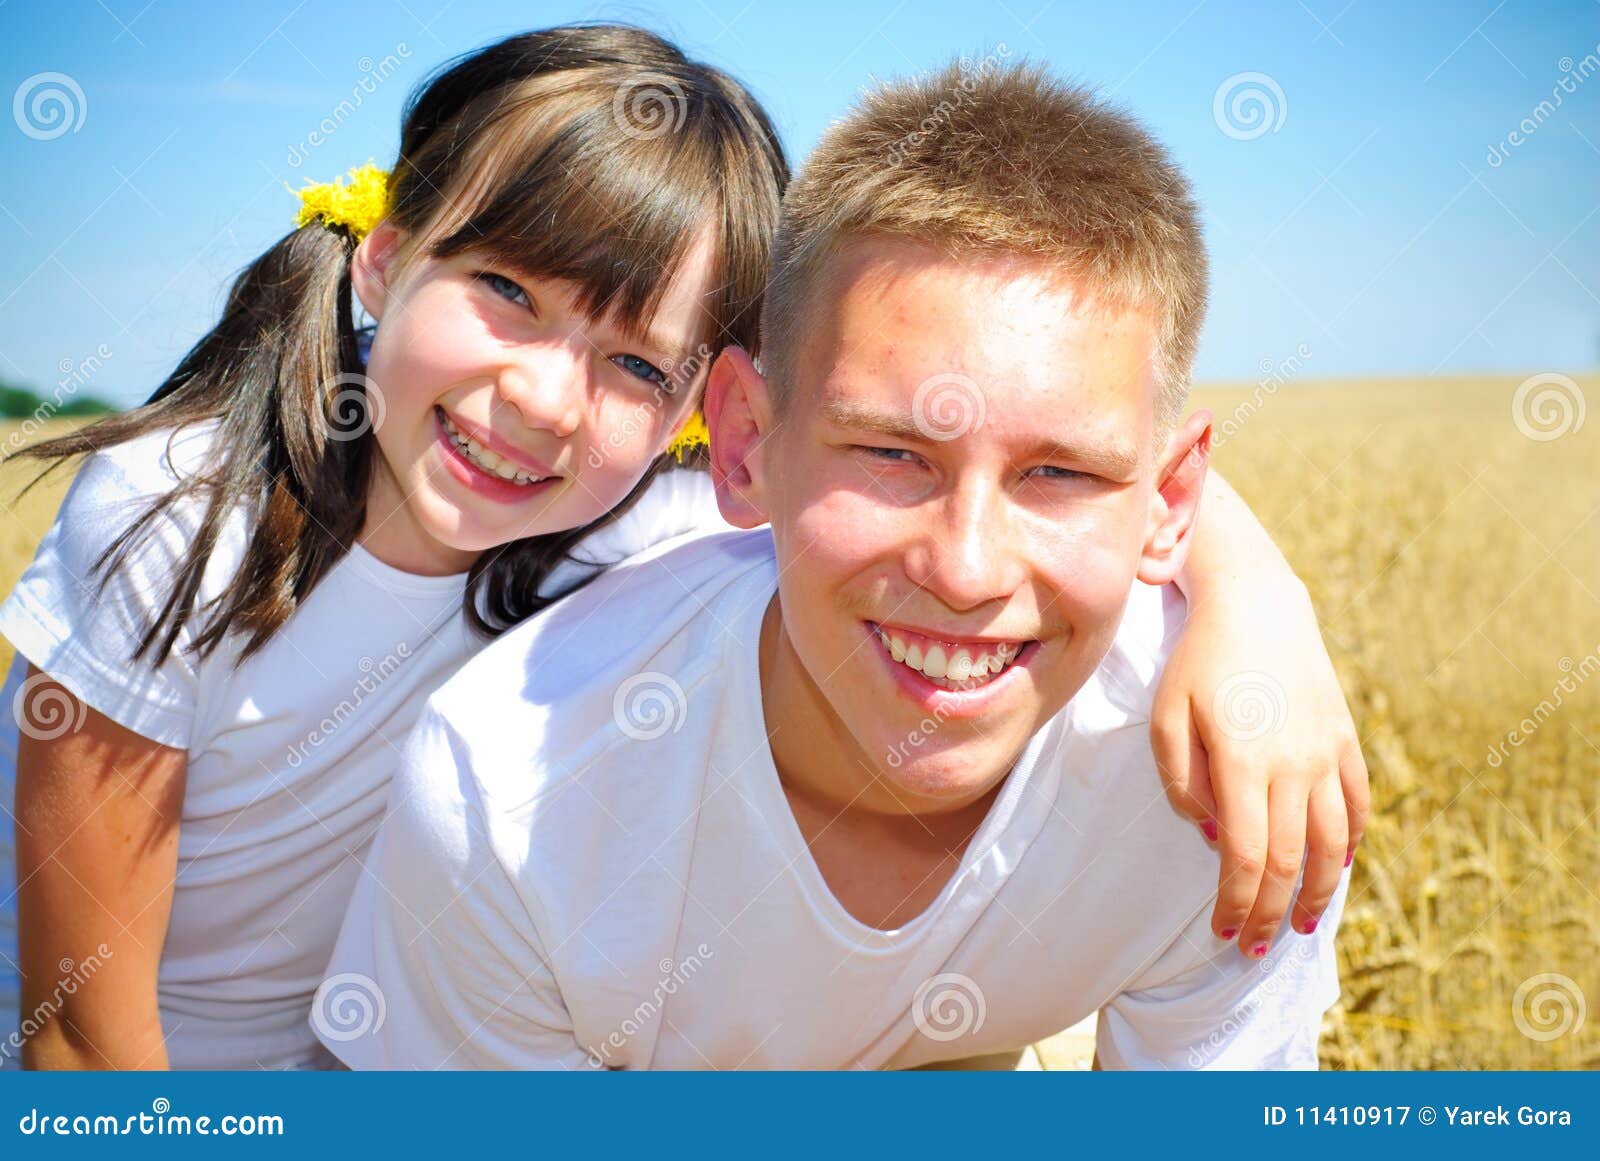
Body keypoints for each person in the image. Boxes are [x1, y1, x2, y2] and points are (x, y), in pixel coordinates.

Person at [317, 59, 1361, 1070]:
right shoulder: (510, 795)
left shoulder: (1236, 771)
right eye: (892, 455)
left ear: (1169, 503)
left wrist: (1260, 598)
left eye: (1056, 474)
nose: (965, 570)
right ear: (742, 446)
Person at [0, 24, 785, 1070]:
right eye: (507, 291)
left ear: (698, 408)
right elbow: (78, 1037)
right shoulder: (183, 515)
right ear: (384, 258)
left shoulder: (646, 537)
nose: (545, 403)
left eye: (638, 367)